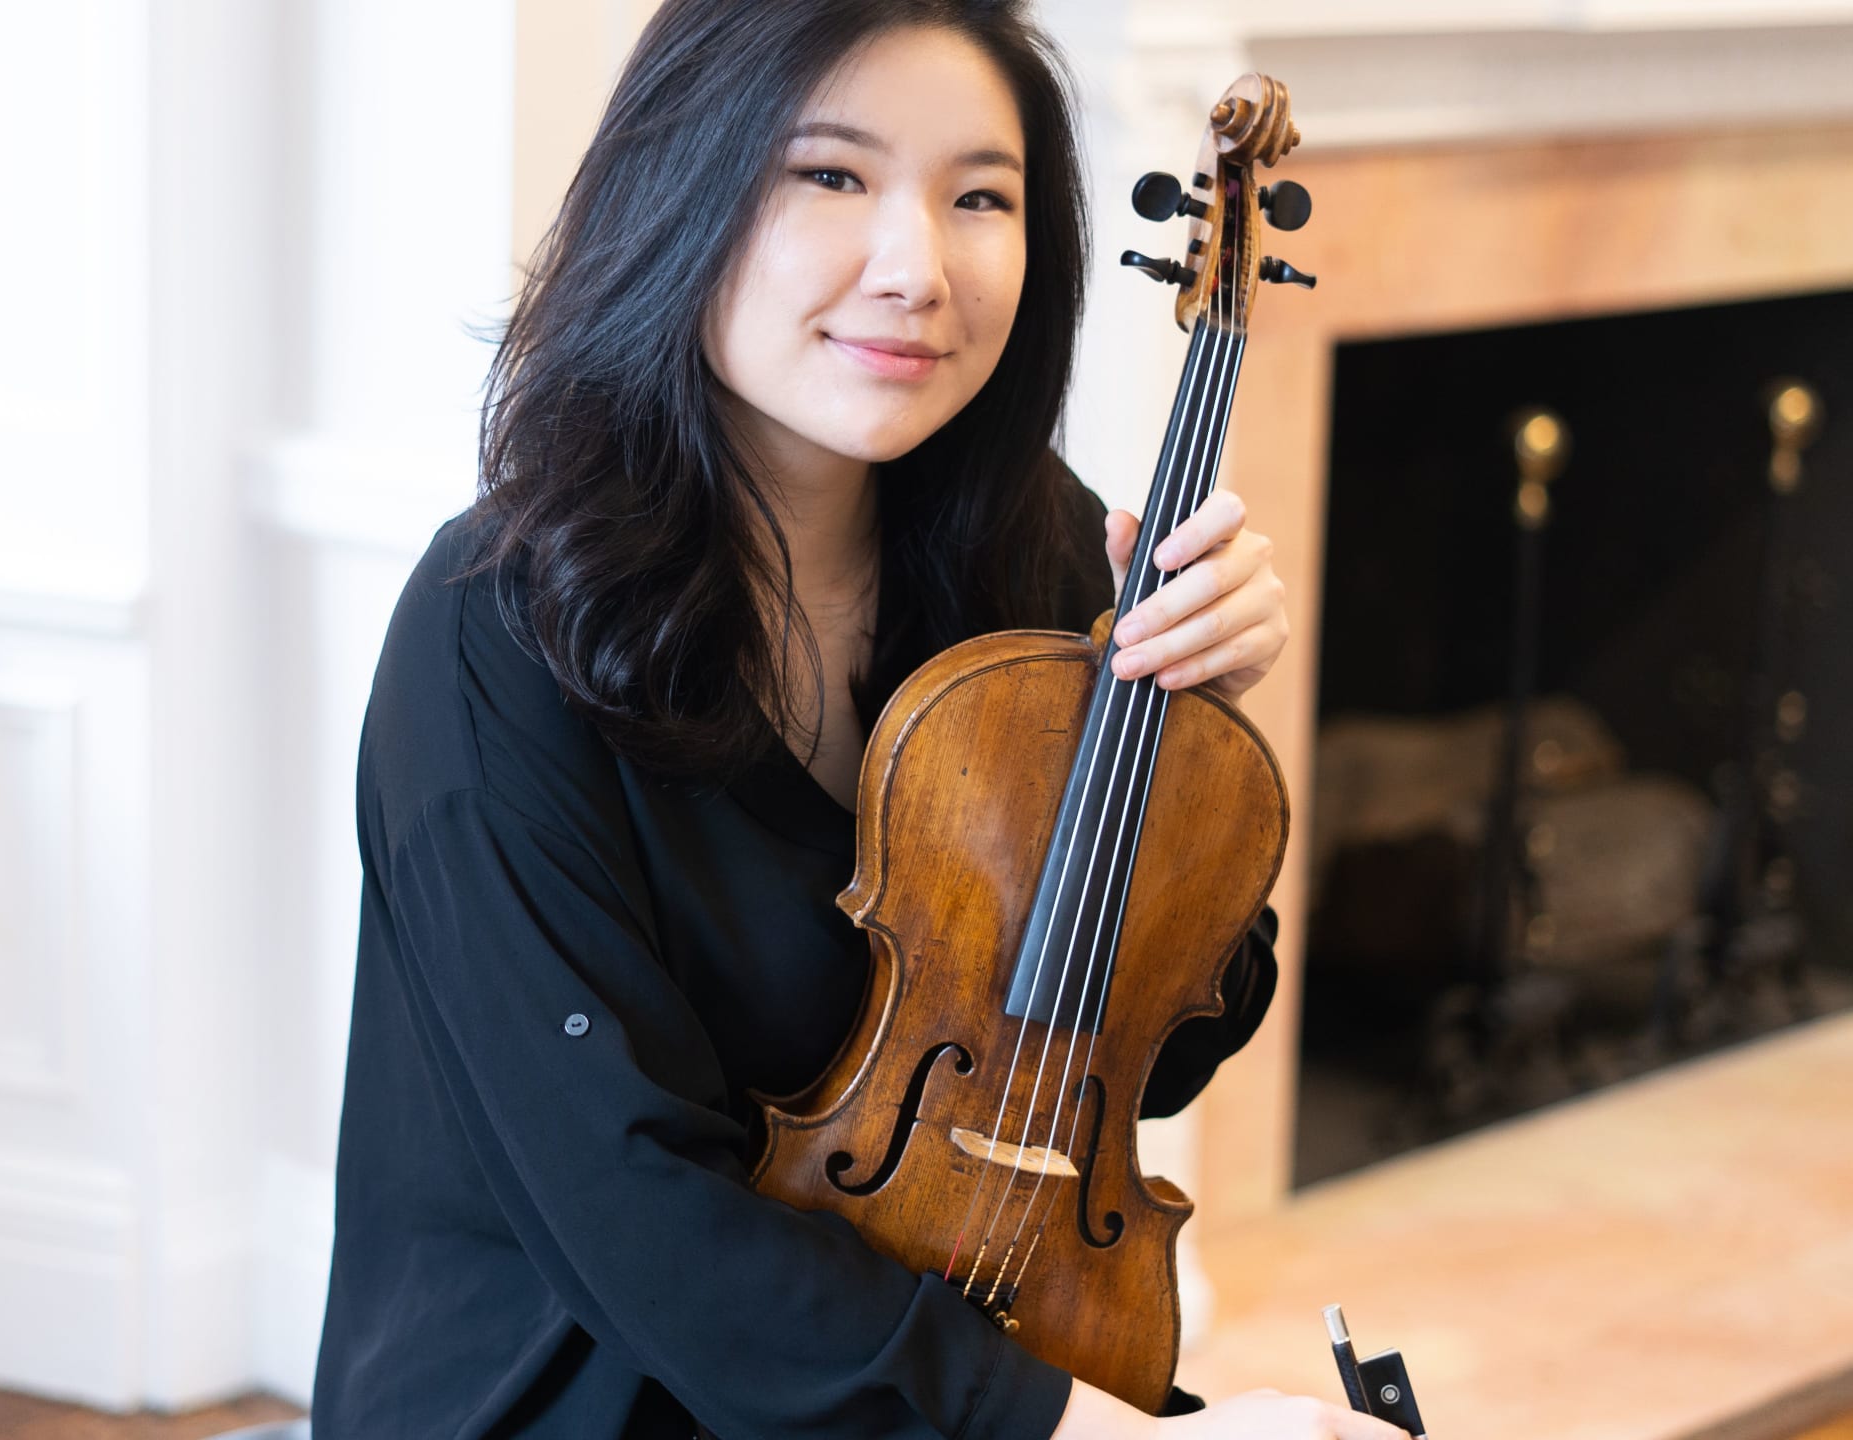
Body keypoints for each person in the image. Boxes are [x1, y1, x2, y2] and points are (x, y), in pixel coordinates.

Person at [314, 3, 1404, 1437]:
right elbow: (634, 1206)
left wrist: (1186, 746)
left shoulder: (1039, 557)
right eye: (831, 174)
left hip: (918, 1368)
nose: (917, 269)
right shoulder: (493, 631)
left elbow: (1159, 1059)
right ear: (682, 185)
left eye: (980, 198)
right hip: (588, 1399)